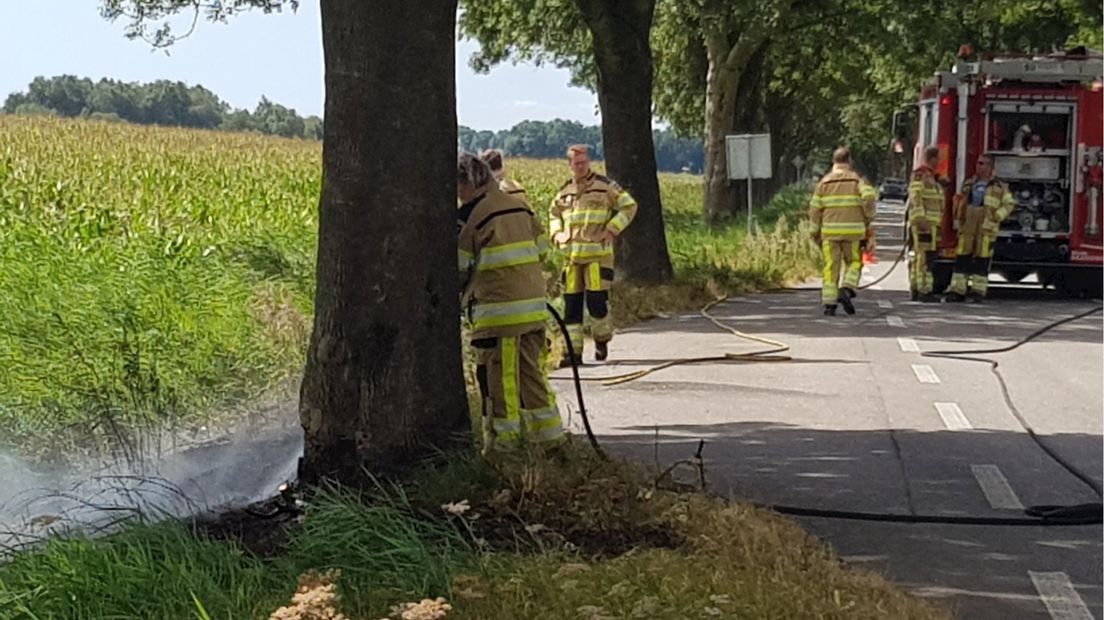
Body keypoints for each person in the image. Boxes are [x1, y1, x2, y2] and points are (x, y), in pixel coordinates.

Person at [457, 153, 564, 453]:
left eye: (459, 187)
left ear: (469, 183)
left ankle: (504, 449)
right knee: (531, 375)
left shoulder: (470, 217)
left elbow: (458, 268)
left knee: (499, 382)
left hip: (498, 315)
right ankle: (550, 442)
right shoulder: (520, 207)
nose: (457, 194)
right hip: (533, 310)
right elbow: (542, 250)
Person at [549, 144, 637, 365]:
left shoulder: (605, 186)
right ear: (569, 165)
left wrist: (612, 229)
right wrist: (557, 234)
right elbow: (553, 214)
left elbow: (629, 206)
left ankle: (601, 339)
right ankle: (573, 353)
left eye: (584, 162)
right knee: (571, 307)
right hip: (572, 259)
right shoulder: (564, 191)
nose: (581, 167)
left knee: (597, 304)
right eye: (576, 163)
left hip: (598, 258)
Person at [808, 147, 877, 315]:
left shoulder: (824, 183)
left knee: (831, 266)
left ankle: (830, 305)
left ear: (834, 161)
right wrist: (867, 217)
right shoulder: (856, 181)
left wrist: (814, 232)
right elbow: (869, 197)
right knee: (854, 262)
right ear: (850, 161)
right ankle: (846, 290)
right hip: (853, 232)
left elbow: (815, 209)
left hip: (829, 233)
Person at [945, 154, 1014, 303]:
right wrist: (958, 217)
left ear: (990, 167)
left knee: (982, 259)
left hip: (986, 227)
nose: (979, 166)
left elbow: (1009, 204)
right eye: (978, 163)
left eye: (982, 163)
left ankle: (978, 291)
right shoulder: (969, 184)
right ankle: (957, 290)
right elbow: (960, 201)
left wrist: (997, 216)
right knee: (962, 256)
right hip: (968, 223)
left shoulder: (1000, 187)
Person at [907, 146, 946, 302]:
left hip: (932, 225)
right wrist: (920, 219)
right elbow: (915, 196)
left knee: (923, 257)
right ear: (932, 159)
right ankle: (924, 291)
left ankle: (917, 288)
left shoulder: (932, 176)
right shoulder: (920, 175)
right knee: (925, 259)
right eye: (939, 158)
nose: (940, 161)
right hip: (925, 224)